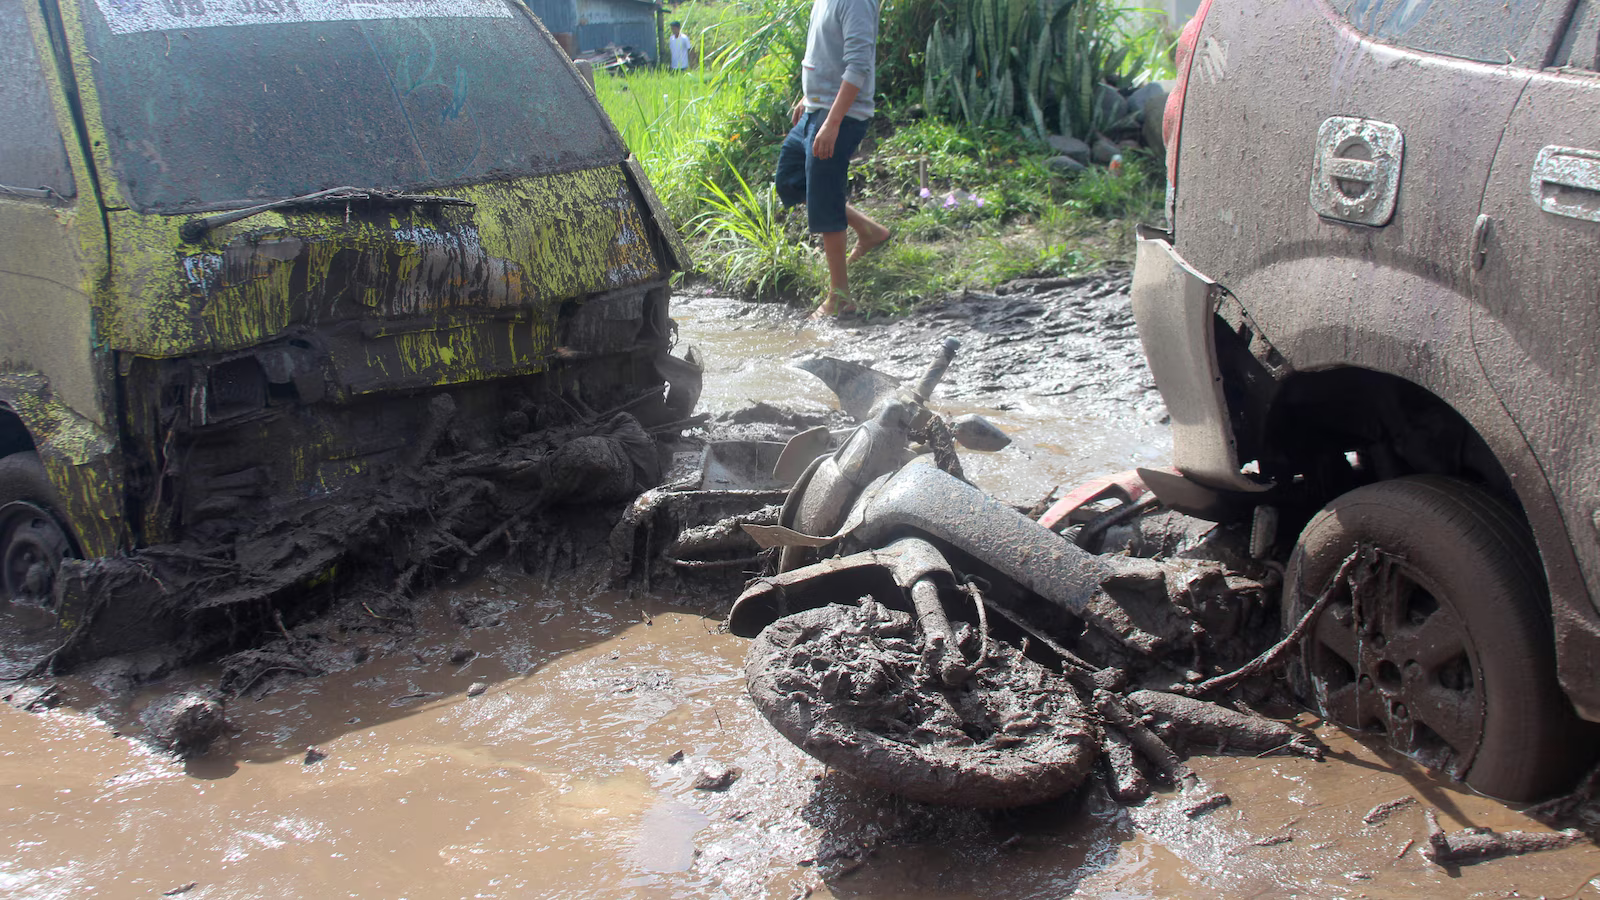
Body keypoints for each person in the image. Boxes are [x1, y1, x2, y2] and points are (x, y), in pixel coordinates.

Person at [773, 0, 892, 319]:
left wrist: (833, 121)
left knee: (824, 195)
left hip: (842, 115)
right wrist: (808, 97)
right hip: (817, 109)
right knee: (790, 179)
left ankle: (840, 297)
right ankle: (870, 231)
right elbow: (826, 54)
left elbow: (857, 66)